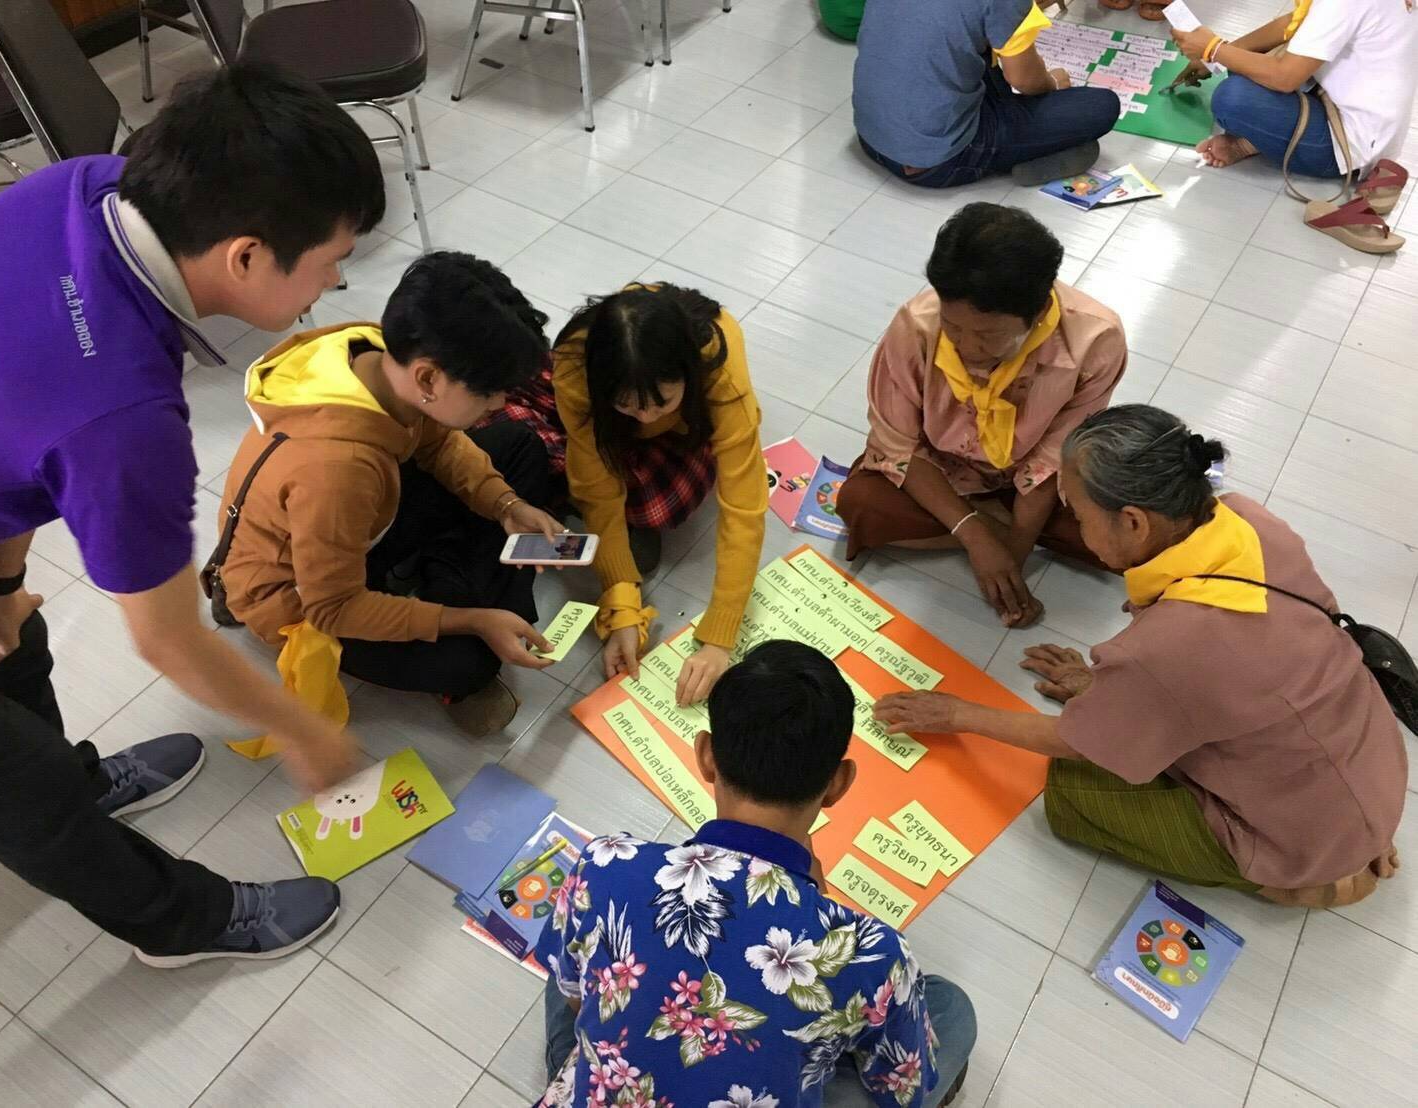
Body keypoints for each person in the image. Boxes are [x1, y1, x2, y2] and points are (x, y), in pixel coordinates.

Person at [0, 64, 384, 967]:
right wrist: (306, 730)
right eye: (331, 261)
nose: (334, 283)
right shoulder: (127, 421)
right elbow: (169, 638)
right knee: (20, 786)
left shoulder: (89, 189)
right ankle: (182, 925)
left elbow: (9, 415)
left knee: (9, 639)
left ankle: (82, 778)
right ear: (246, 256)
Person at [873, 405, 1407, 908]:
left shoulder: (1165, 649)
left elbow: (1081, 742)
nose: (1077, 528)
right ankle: (1357, 835)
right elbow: (1246, 667)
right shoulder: (1248, 519)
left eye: (1079, 515)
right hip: (1371, 765)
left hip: (1304, 833)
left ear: (1133, 521)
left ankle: (1308, 879)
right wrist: (1110, 690)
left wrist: (956, 714)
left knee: (1072, 794)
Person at [535, 640, 976, 1107]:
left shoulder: (604, 862)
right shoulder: (878, 953)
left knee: (576, 944)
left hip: (601, 1090)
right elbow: (902, 1089)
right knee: (948, 1006)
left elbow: (576, 1002)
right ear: (839, 783)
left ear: (706, 755)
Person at [216, 251, 565, 737]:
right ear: (428, 378)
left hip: (363, 522)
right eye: (489, 392)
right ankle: (466, 598)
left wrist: (506, 505)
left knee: (519, 446)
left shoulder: (374, 352)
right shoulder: (335, 471)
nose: (500, 402)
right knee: (469, 664)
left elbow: (437, 441)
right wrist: (470, 620)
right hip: (304, 596)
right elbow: (334, 608)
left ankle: (453, 583)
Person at [837, 203, 1126, 628]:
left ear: (1037, 314)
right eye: (953, 327)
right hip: (941, 469)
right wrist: (975, 536)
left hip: (1030, 478)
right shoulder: (916, 326)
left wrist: (1014, 552)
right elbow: (899, 446)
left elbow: (1053, 459)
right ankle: (984, 519)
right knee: (860, 504)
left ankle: (993, 521)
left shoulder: (1094, 340)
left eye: (989, 335)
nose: (968, 349)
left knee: (1125, 533)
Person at [489, 283, 769, 708]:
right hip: (608, 432)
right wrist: (620, 600)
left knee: (657, 508)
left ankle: (579, 484)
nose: (645, 416)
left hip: (684, 431)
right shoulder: (576, 364)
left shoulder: (719, 367)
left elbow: (744, 506)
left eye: (661, 402)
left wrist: (719, 637)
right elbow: (598, 490)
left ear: (687, 376)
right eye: (628, 404)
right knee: (510, 430)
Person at [853, 0, 1122, 188]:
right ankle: (1025, 155)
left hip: (871, 136)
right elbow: (1026, 82)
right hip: (938, 161)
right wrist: (1052, 82)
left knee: (975, 43)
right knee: (1102, 105)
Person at [1169, 0, 1416, 192]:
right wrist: (1217, 54)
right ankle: (1258, 140)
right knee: (1244, 61)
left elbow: (1284, 78)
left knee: (1233, 98)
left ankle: (1254, 142)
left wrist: (1213, 49)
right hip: (1341, 105)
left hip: (1349, 146)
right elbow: (1293, 23)